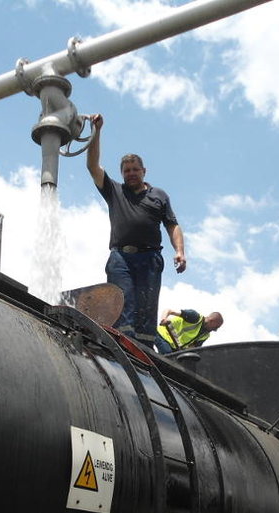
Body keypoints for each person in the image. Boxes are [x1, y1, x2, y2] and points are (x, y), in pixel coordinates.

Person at [87, 113, 186, 348]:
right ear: (122, 174)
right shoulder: (114, 190)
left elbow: (172, 225)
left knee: (147, 312)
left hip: (150, 259)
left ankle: (144, 356)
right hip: (121, 258)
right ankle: (121, 350)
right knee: (123, 306)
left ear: (144, 171)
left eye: (135, 169)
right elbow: (92, 166)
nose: (131, 173)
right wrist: (96, 131)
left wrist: (180, 251)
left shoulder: (159, 196)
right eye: (126, 170)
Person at [155, 309, 223, 353]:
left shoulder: (205, 335)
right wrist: (164, 319)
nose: (215, 330)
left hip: (175, 346)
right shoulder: (194, 317)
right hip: (163, 335)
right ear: (211, 321)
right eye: (216, 327)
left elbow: (192, 348)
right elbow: (168, 310)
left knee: (176, 361)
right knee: (167, 354)